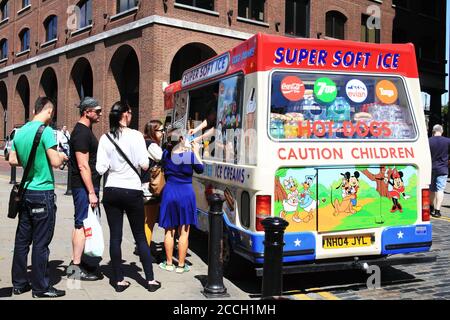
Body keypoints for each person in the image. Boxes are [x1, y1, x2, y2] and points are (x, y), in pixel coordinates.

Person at [96, 101, 161, 292]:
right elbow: (143, 164)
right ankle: (149, 280)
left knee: (115, 236)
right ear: (125, 114)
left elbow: (100, 168)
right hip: (132, 190)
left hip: (112, 190)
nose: (131, 115)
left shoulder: (105, 138)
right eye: (130, 112)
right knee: (140, 236)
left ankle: (118, 281)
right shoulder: (136, 136)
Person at [8, 97, 68, 298]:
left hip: (25, 192)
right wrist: (62, 156)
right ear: (49, 111)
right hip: (42, 192)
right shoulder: (46, 131)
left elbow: (14, 160)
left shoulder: (19, 131)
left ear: (34, 109)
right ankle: (41, 288)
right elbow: (55, 162)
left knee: (22, 241)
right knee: (41, 242)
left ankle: (19, 283)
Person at [66, 97, 103, 281]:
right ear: (86, 111)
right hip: (83, 187)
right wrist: (91, 192)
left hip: (84, 186)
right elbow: (83, 166)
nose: (100, 114)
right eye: (97, 110)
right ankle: (75, 268)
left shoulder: (85, 131)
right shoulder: (81, 133)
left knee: (81, 223)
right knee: (80, 224)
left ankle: (80, 262)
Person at [158, 128, 204, 273]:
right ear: (180, 140)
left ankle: (169, 263)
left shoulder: (166, 154)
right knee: (184, 231)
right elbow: (200, 169)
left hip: (170, 191)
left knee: (169, 230)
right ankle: (181, 265)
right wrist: (196, 151)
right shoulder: (189, 155)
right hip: (186, 192)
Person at [142, 120, 164, 256]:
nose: (162, 133)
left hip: (145, 185)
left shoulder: (145, 143)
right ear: (152, 131)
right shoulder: (152, 145)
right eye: (160, 130)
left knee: (147, 219)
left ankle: (145, 247)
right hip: (151, 186)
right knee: (149, 220)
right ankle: (146, 250)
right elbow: (163, 158)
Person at [429, 124, 450, 218]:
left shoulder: (429, 141)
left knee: (431, 189)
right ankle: (437, 211)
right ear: (442, 131)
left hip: (430, 168)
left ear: (433, 131)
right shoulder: (447, 141)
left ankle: (431, 207)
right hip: (443, 169)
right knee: (440, 189)